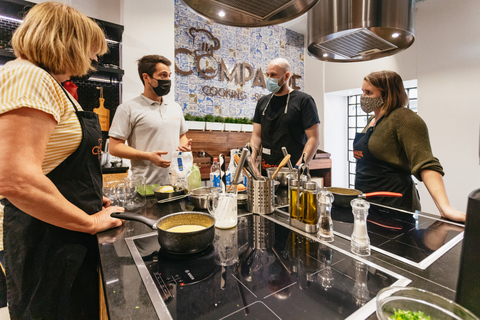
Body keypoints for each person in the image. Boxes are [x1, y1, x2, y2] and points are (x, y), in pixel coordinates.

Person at [0, 2, 125, 319]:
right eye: (91, 49)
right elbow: (14, 178)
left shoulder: (51, 85)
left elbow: (53, 164)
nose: (95, 58)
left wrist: (90, 195)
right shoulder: (28, 76)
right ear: (69, 42)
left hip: (63, 234)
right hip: (46, 240)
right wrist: (89, 221)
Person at [354, 70, 465, 222]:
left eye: (369, 92)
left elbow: (426, 163)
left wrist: (445, 208)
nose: (363, 97)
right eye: (363, 92)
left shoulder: (403, 118)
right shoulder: (372, 120)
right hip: (368, 201)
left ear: (387, 94)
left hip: (393, 205)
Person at [108, 55, 192, 185]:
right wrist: (147, 156)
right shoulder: (127, 108)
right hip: (145, 186)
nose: (168, 80)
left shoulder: (176, 108)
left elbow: (182, 136)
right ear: (146, 77)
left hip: (177, 183)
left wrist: (183, 146)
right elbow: (114, 147)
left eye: (169, 75)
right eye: (163, 75)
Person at [249, 58, 320, 176]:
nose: (269, 79)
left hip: (294, 173)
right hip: (266, 172)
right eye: (268, 75)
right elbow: (256, 135)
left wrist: (299, 167)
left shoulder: (304, 101)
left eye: (273, 75)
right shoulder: (263, 102)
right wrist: (252, 160)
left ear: (286, 76)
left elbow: (313, 139)